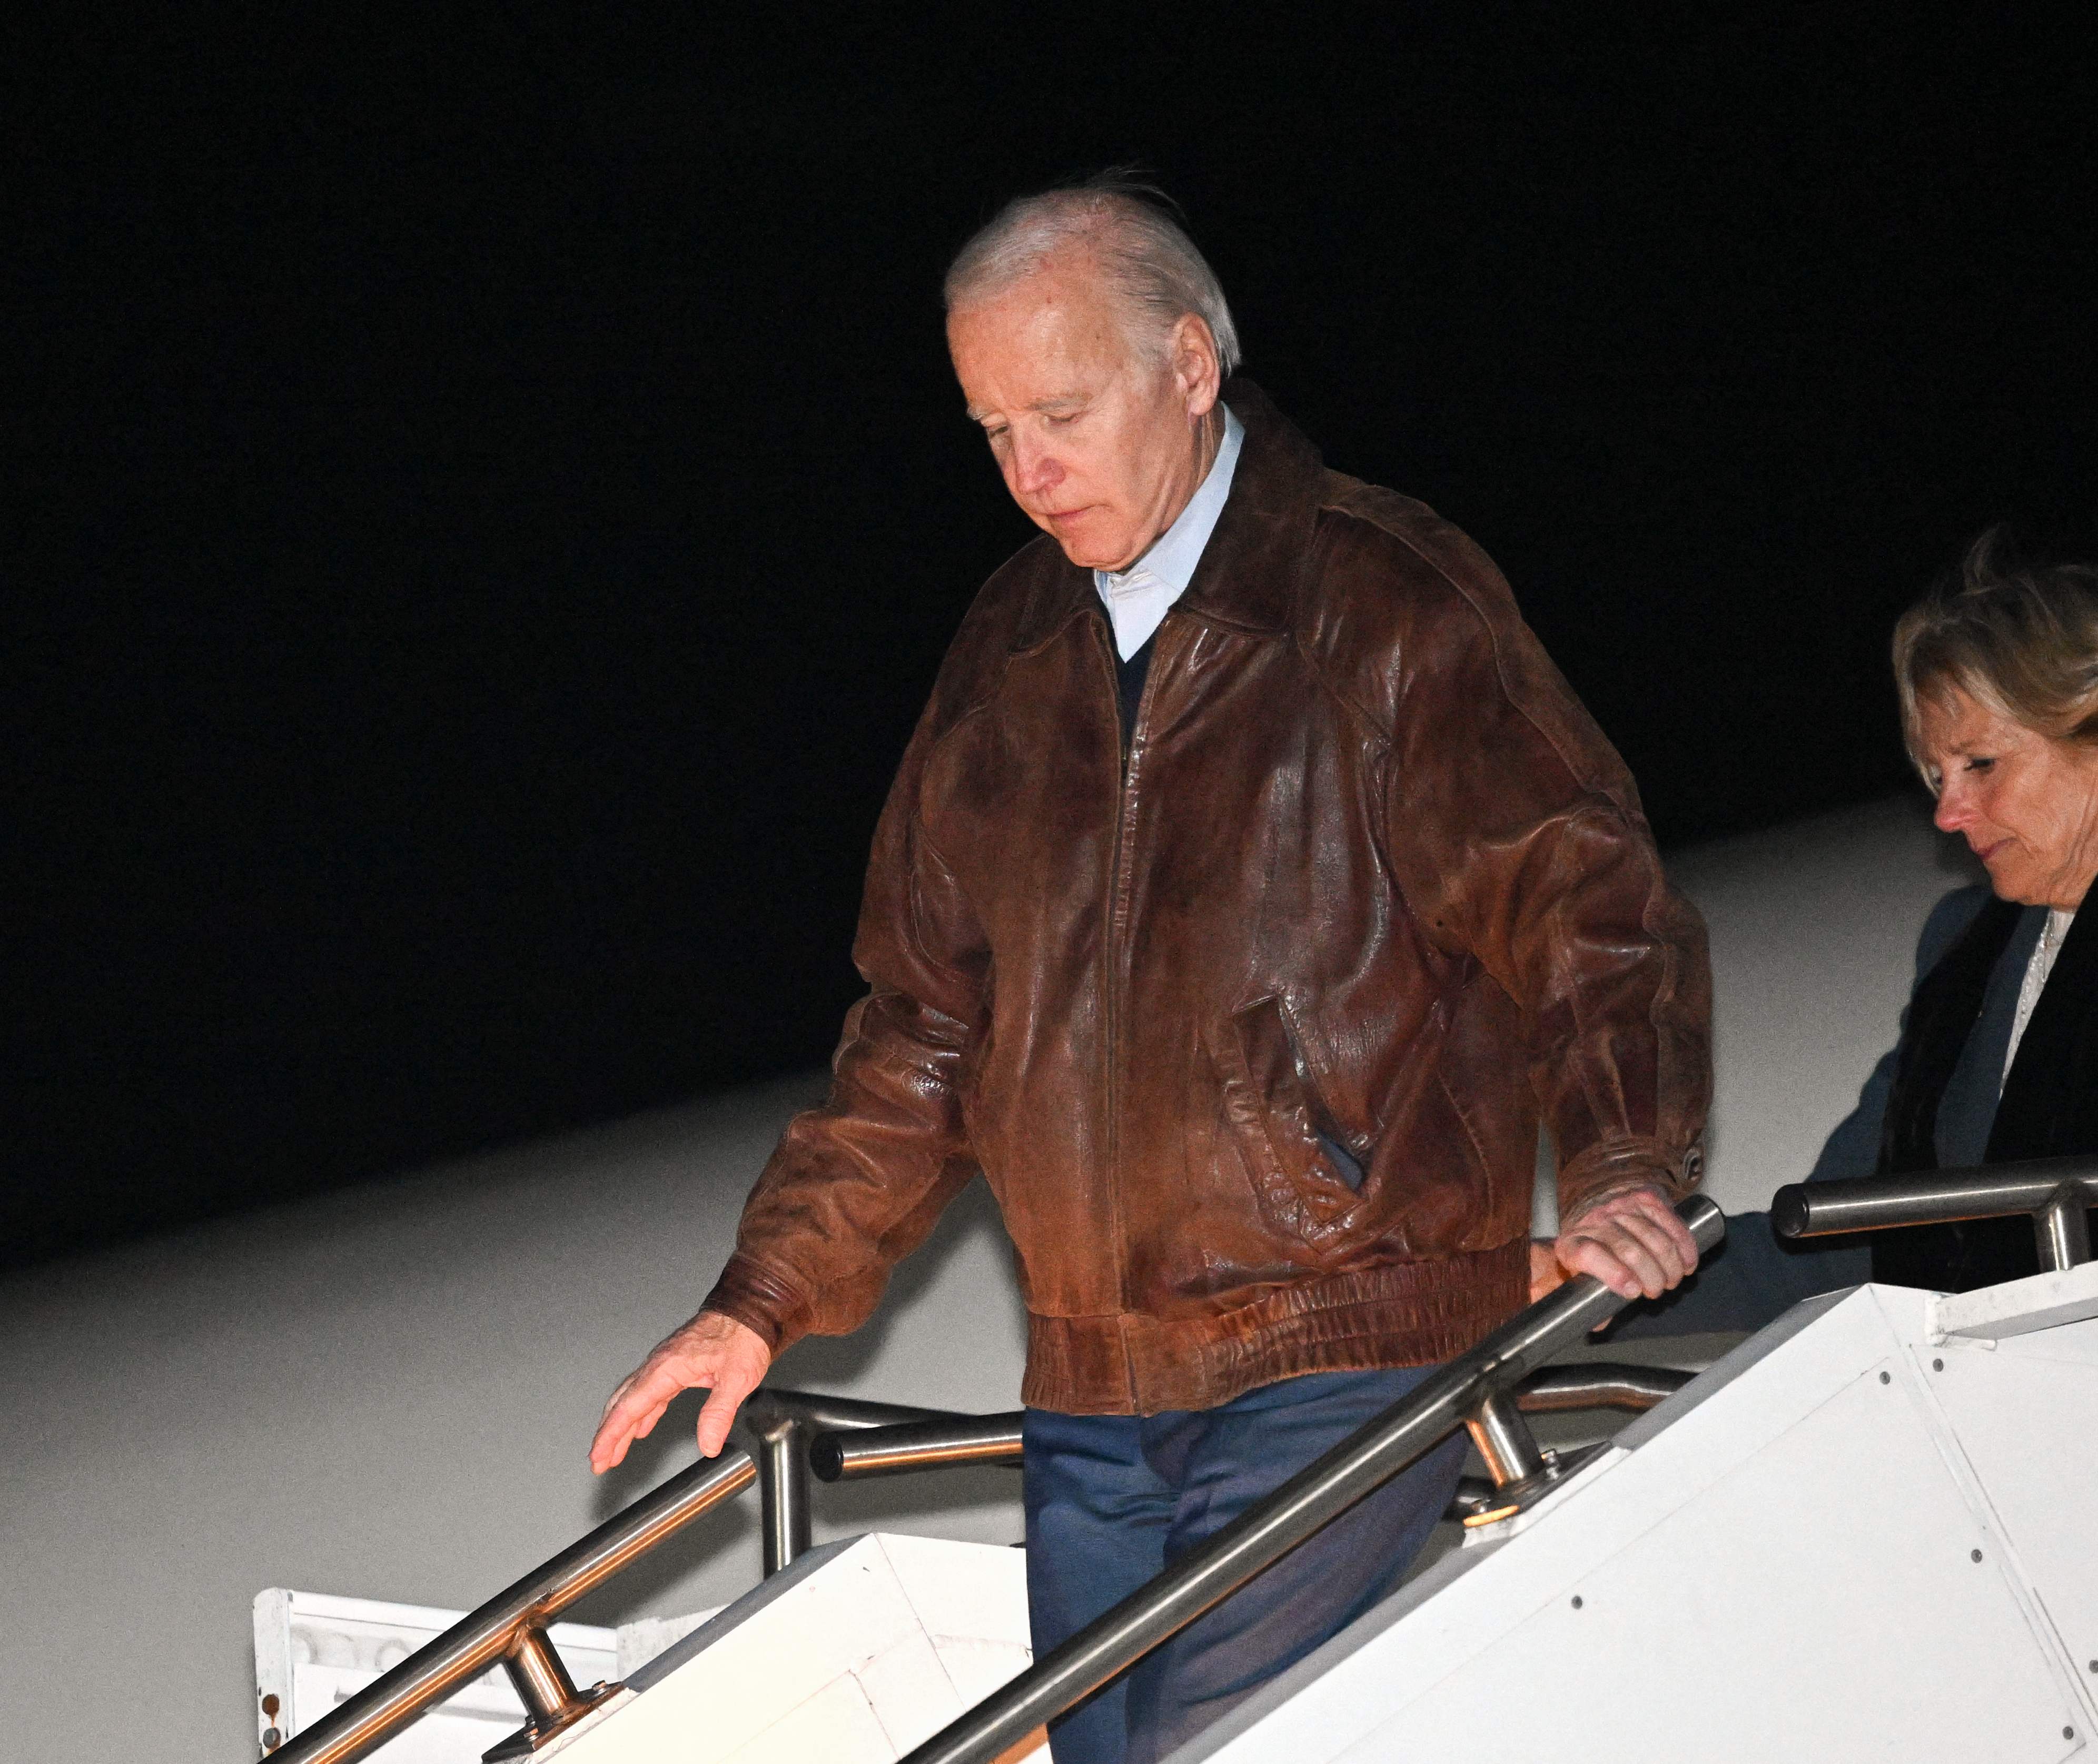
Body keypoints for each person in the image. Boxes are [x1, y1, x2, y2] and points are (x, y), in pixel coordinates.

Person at [585, 176, 1711, 1764]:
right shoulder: (1006, 647)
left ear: (1191, 364)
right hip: (1093, 1380)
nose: (1029, 474)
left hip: (1347, 1335)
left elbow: (1586, 897)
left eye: (1059, 411)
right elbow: (924, 1025)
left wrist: (1619, 1159)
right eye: (989, 432)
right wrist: (761, 1299)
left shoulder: (1383, 600)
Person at [1607, 536, 2098, 1336]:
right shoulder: (1963, 950)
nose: (1948, 814)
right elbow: (1834, 1238)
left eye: (1980, 764)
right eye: (1937, 778)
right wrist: (1587, 1284)